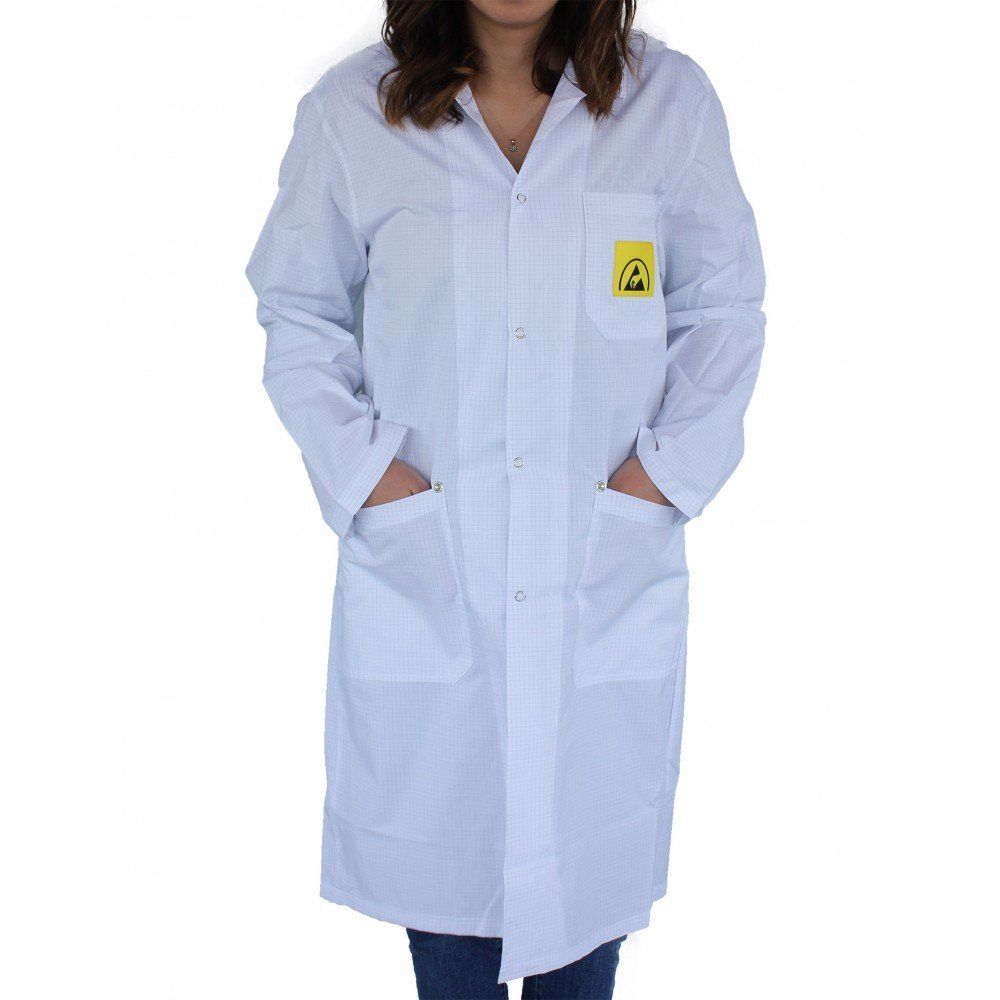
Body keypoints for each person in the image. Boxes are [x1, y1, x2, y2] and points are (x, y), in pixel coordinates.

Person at [246, 0, 765, 995]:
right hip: (433, 580)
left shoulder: (669, 105)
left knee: (584, 910)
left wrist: (657, 482)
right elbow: (299, 313)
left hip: (600, 581)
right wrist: (370, 478)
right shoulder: (352, 113)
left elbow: (722, 309)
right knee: (450, 927)